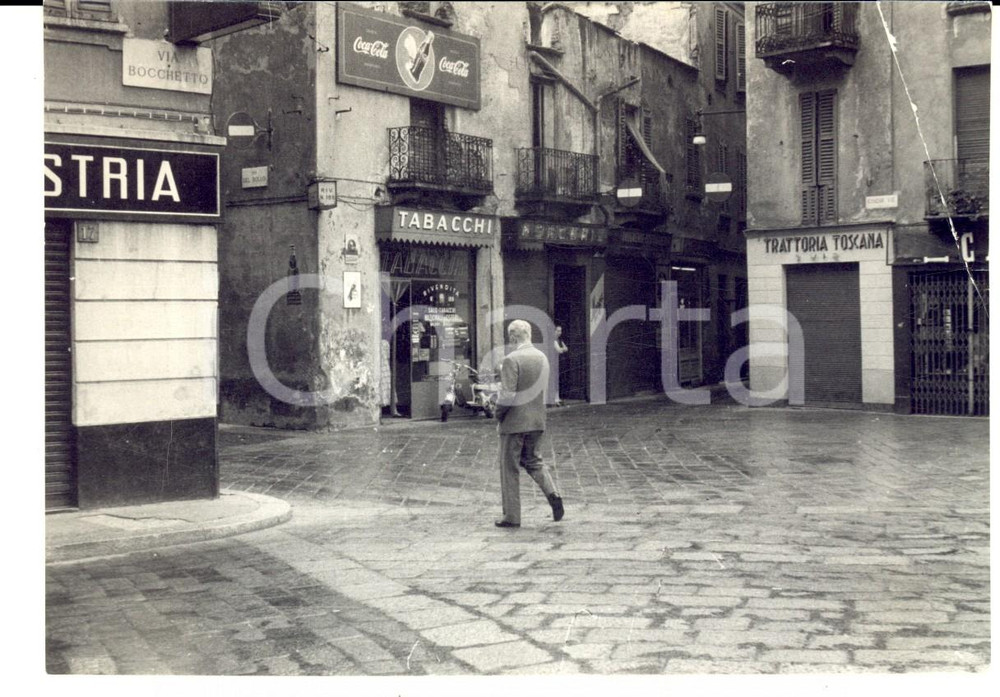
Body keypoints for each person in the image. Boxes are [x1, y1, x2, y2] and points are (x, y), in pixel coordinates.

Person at [494, 319, 564, 528]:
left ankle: (512, 516)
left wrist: (497, 413)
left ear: (513, 336)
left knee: (509, 468)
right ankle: (553, 495)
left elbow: (507, 395)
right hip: (537, 420)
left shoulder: (511, 359)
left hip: (515, 423)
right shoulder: (542, 357)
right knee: (534, 461)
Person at [552, 325, 569, 407]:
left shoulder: (559, 340)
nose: (559, 332)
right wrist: (562, 349)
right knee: (554, 380)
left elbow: (566, 348)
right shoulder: (553, 340)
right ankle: (555, 399)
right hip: (553, 362)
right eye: (558, 331)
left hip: (559, 362)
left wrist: (561, 349)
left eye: (560, 331)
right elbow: (560, 350)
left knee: (558, 380)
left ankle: (557, 398)